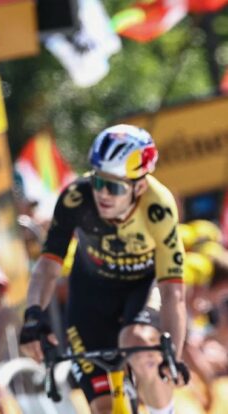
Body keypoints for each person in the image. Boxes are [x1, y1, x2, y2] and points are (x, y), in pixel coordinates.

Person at [18, 124, 188, 414]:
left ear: (140, 186)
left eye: (115, 186)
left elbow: (173, 292)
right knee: (105, 409)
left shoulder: (158, 209)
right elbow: (47, 266)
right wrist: (33, 314)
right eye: (98, 182)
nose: (103, 194)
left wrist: (172, 355)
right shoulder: (76, 198)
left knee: (137, 344)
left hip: (142, 291)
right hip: (90, 296)